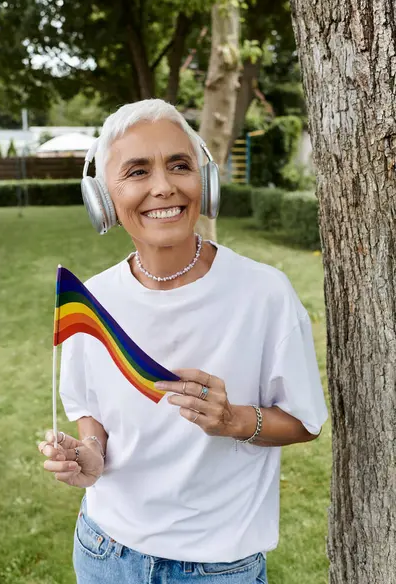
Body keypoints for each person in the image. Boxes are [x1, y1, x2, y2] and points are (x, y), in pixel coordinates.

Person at [38, 99, 328, 584]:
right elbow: (91, 410)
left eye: (179, 165)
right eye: (136, 171)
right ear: (104, 198)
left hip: (217, 567)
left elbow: (305, 422)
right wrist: (88, 455)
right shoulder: (92, 301)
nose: (163, 187)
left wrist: (235, 419)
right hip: (105, 551)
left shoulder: (263, 293)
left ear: (206, 182)